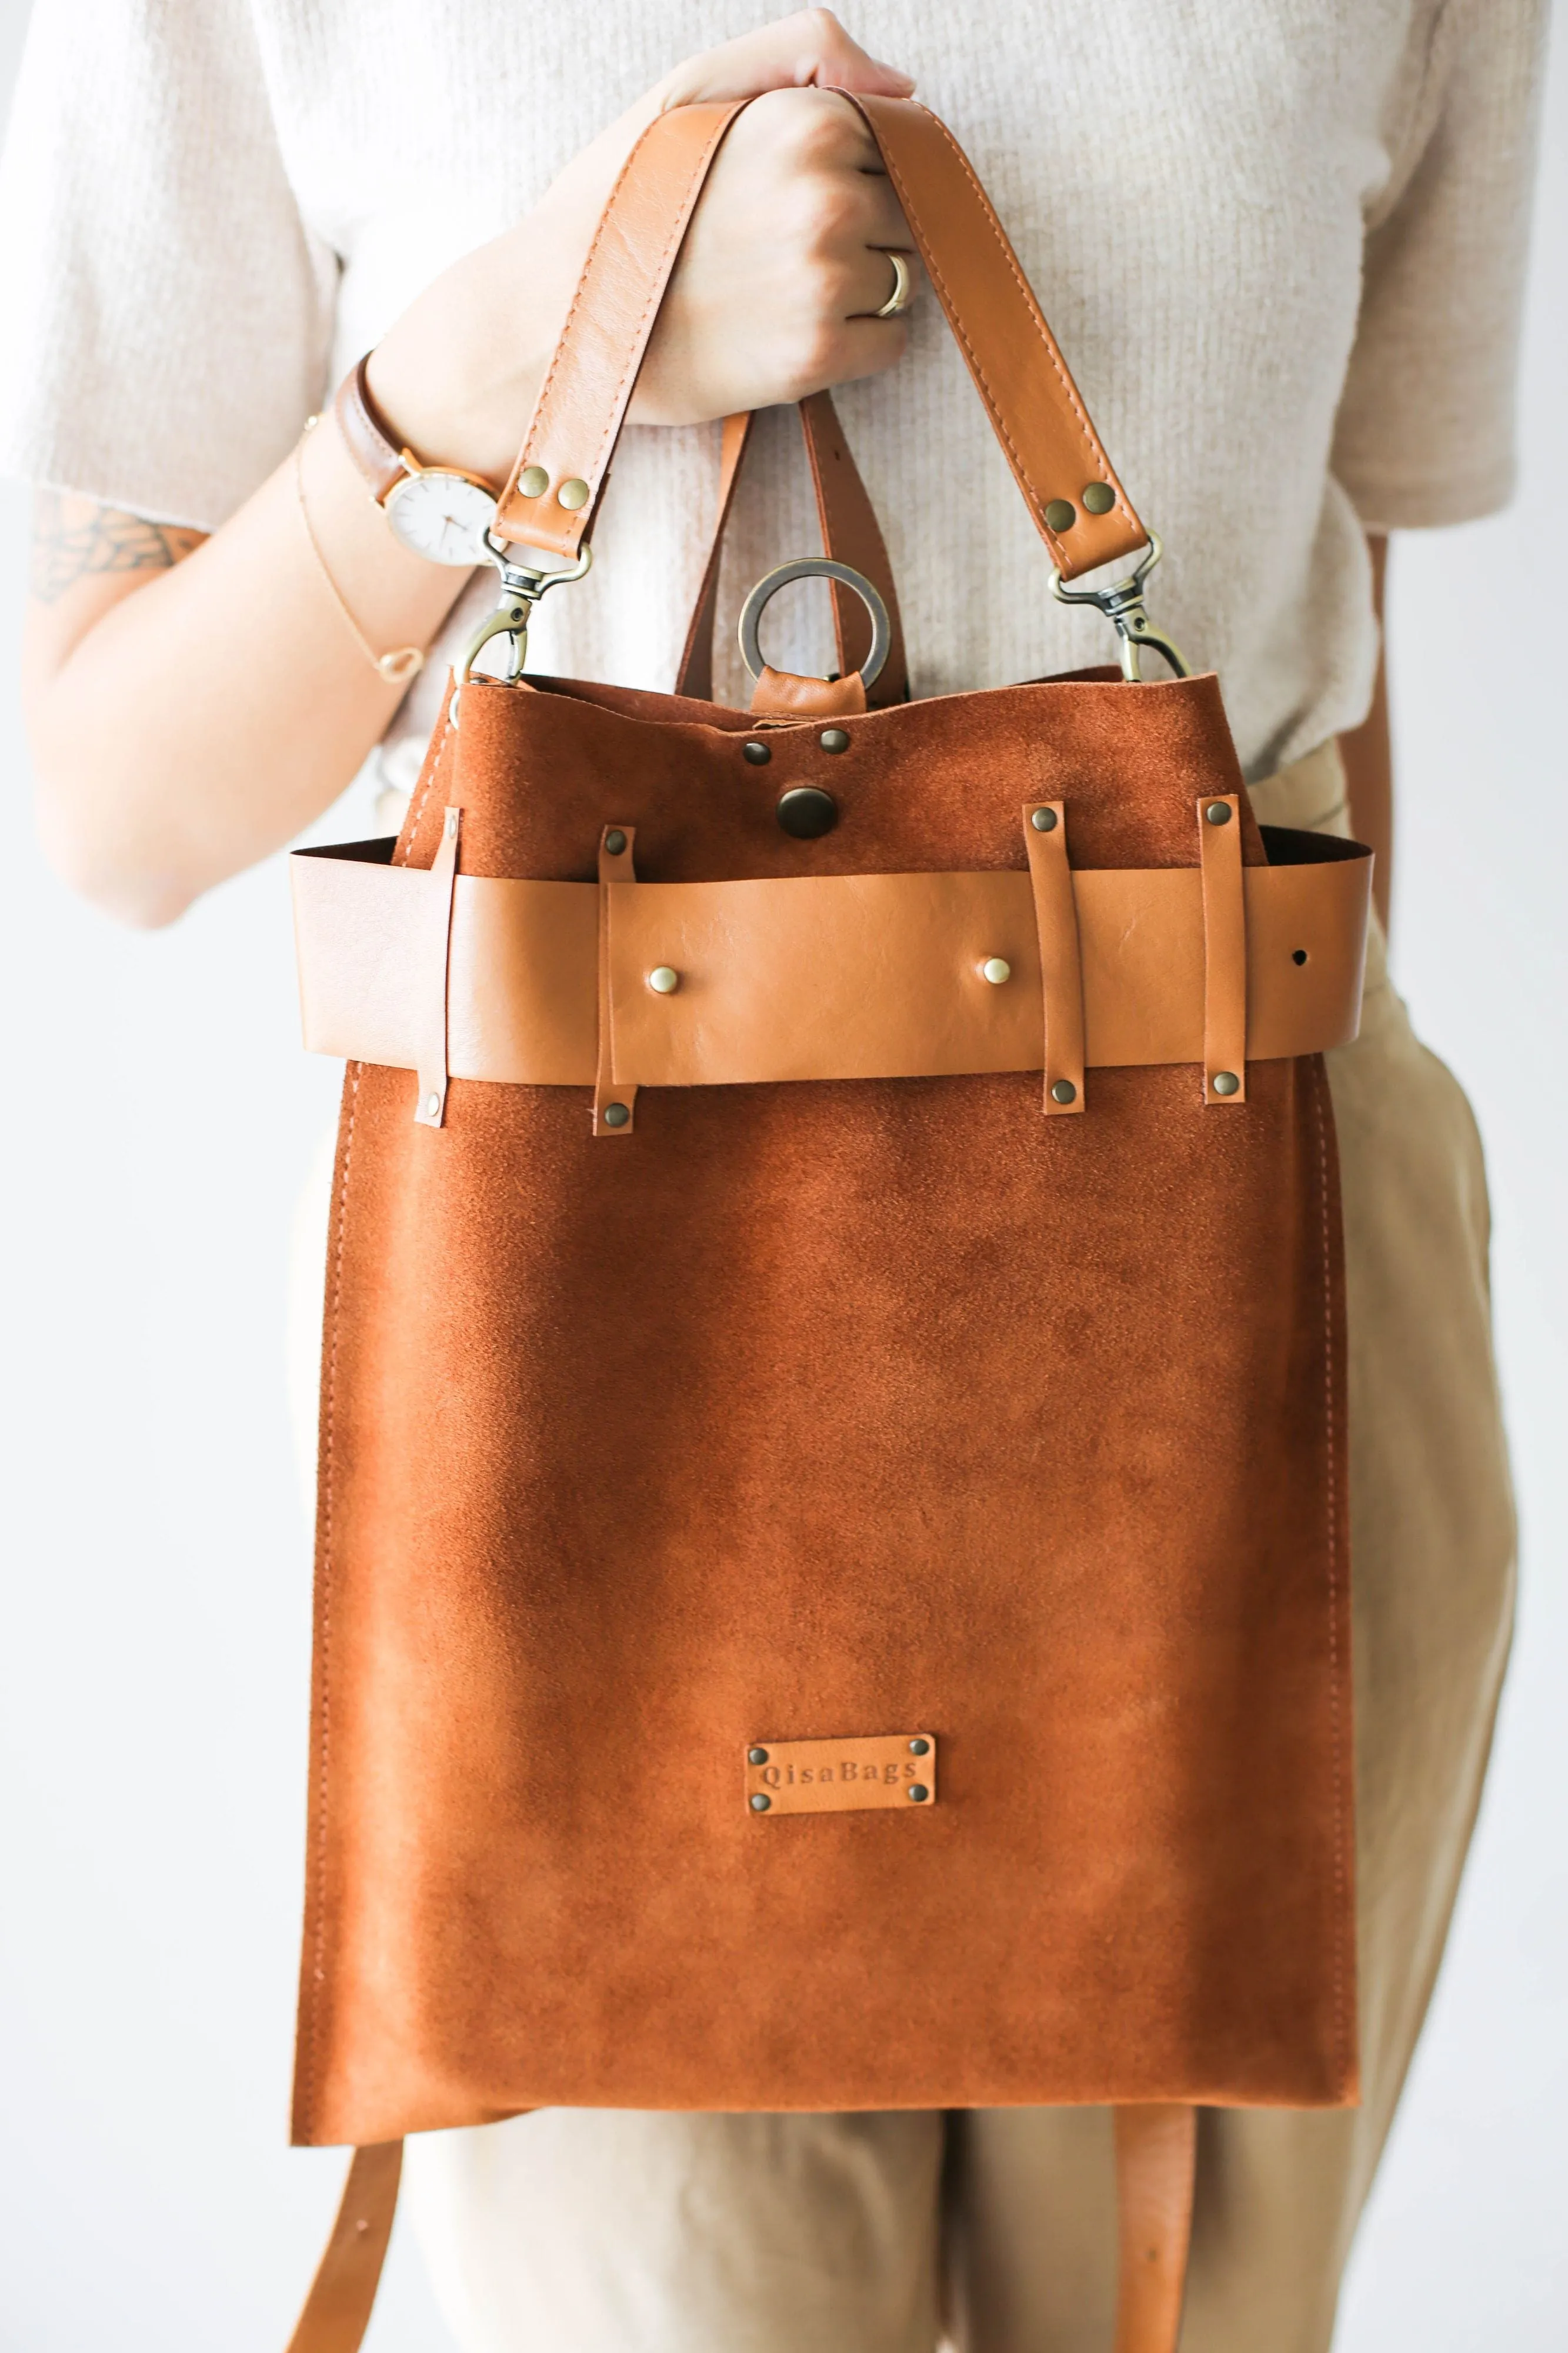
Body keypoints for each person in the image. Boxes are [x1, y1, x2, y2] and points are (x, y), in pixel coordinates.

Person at [0, 5, 1542, 2347]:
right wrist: (507, 368)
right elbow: (117, 810)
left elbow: (1321, 632)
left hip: (1244, 1312)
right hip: (579, 1378)